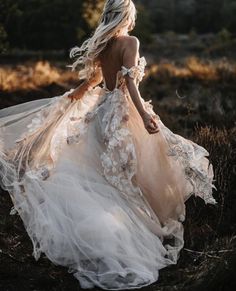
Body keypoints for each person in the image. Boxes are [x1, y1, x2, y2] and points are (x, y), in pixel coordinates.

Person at [0, 0, 217, 289]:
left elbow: (92, 83)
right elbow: (130, 85)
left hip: (102, 115)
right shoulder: (130, 41)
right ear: (128, 15)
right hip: (124, 115)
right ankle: (131, 236)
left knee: (108, 176)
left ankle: (109, 235)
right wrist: (145, 116)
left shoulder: (103, 45)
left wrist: (68, 100)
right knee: (138, 174)